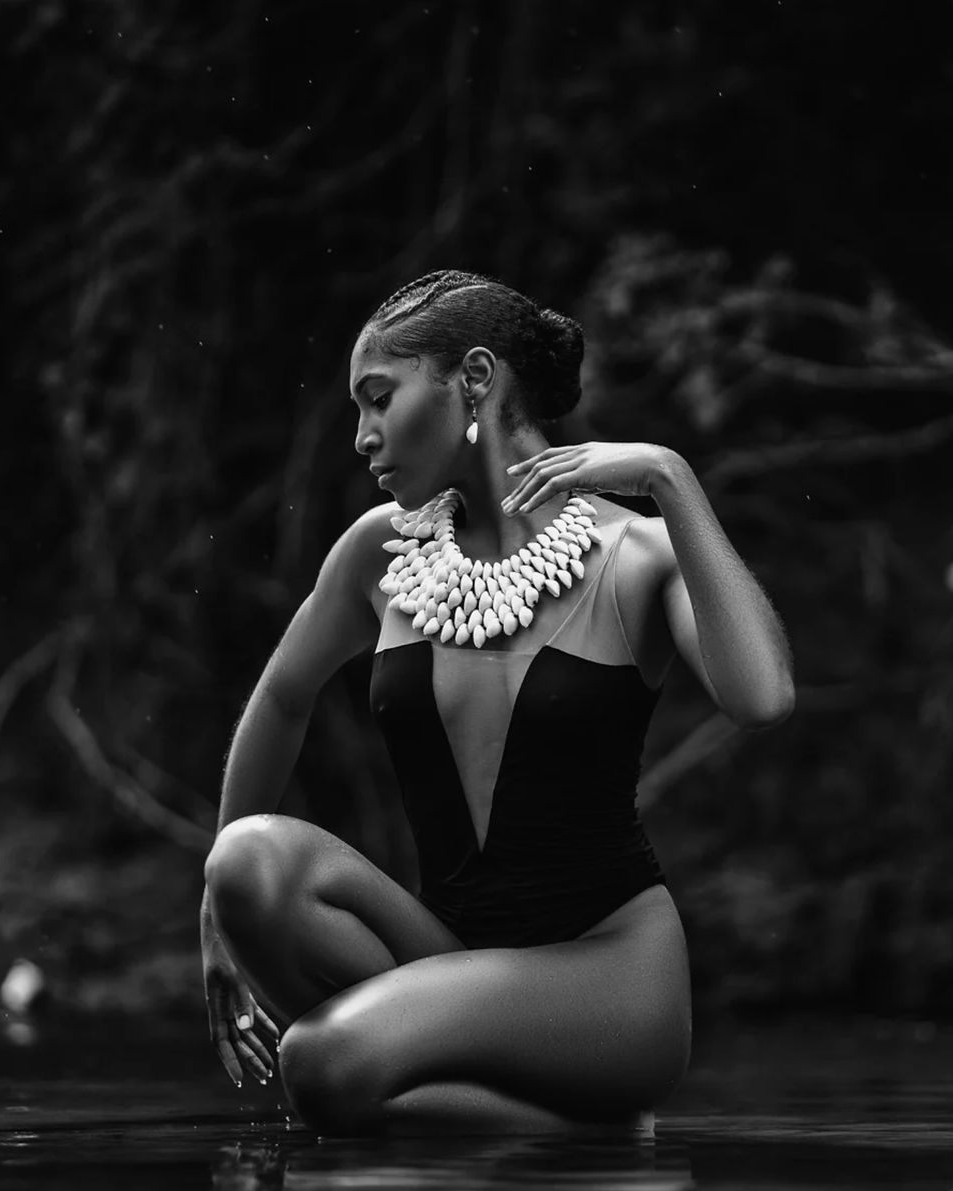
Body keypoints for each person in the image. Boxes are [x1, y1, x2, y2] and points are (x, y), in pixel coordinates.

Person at [201, 270, 794, 1134]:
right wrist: (214, 924)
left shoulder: (636, 555)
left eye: (379, 400)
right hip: (447, 949)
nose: (363, 438)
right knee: (244, 864)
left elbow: (764, 698)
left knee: (321, 1063)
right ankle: (556, 1122)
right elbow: (284, 697)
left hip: (607, 976)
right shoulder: (382, 552)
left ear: (474, 379)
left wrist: (672, 480)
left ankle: (575, 1116)